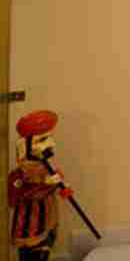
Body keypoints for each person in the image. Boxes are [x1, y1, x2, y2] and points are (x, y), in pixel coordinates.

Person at [8, 110, 72, 261]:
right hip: (31, 223)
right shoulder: (21, 174)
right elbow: (17, 194)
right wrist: (45, 183)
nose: (50, 144)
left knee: (48, 246)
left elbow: (55, 182)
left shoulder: (45, 167)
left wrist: (61, 187)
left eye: (49, 138)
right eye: (42, 139)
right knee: (33, 254)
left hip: (48, 218)